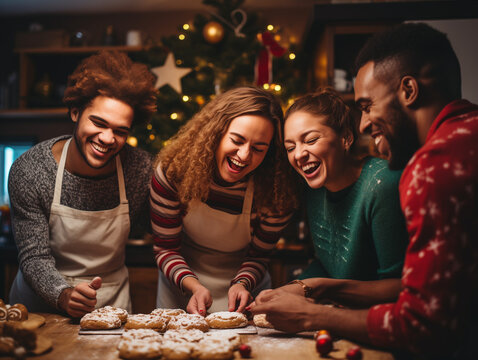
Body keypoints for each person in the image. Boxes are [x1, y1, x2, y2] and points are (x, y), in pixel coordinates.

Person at [250, 22, 478, 358]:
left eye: (367, 105)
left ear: (409, 91)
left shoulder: (432, 164)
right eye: (289, 146)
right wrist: (308, 286)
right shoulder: (466, 136)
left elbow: (421, 324)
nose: (363, 125)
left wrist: (312, 312)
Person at [8, 51, 157, 317]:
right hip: (41, 311)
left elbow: (163, 229)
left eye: (120, 131)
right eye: (98, 123)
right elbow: (34, 257)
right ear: (75, 112)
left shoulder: (139, 170)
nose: (108, 138)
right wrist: (63, 294)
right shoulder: (31, 169)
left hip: (110, 304)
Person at [150, 86, 298, 315]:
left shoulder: (276, 193)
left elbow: (258, 256)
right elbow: (166, 248)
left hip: (242, 294)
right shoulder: (173, 173)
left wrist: (242, 283)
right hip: (181, 287)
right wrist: (194, 286)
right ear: (216, 132)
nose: (244, 155)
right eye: (237, 140)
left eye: (258, 149)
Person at [264, 88, 408, 308]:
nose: (299, 154)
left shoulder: (382, 184)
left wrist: (311, 289)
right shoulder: (314, 189)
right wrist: (291, 287)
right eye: (290, 147)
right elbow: (328, 265)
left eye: (311, 140)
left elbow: (398, 286)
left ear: (346, 138)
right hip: (341, 317)